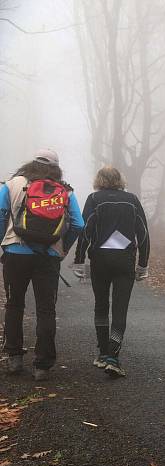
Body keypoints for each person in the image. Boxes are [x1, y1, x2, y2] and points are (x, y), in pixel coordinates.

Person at [1, 149, 85, 381]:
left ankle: (14, 358)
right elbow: (78, 224)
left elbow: (0, 214)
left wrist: (3, 242)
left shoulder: (13, 184)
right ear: (56, 168)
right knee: (46, 309)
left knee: (14, 304)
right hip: (49, 256)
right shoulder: (65, 190)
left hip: (16, 252)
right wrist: (63, 249)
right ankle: (42, 366)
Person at [72, 166, 150, 378]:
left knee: (101, 305)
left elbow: (86, 229)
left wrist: (79, 260)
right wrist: (143, 263)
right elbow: (142, 233)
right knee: (120, 308)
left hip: (100, 259)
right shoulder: (132, 199)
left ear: (98, 180)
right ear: (120, 180)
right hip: (125, 260)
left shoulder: (94, 199)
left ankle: (103, 353)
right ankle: (113, 357)